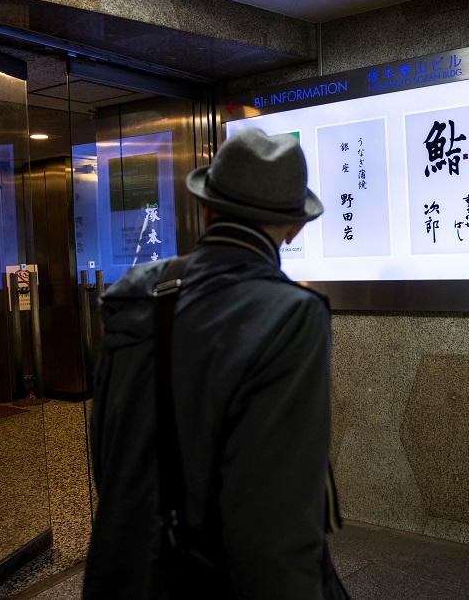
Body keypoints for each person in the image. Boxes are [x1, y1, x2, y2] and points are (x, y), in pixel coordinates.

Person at [83, 127, 345, 599]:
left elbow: (107, 455)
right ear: (294, 227)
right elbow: (274, 526)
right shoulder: (289, 317)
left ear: (205, 208)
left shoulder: (137, 292)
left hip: (118, 574)